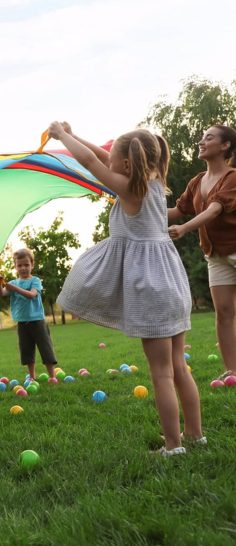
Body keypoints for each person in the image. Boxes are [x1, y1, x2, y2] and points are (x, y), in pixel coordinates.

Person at [49, 122, 203, 457]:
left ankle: (173, 445)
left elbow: (91, 162)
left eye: (115, 161)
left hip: (151, 289)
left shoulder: (131, 191)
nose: (108, 163)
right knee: (178, 367)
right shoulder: (154, 183)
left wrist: (62, 137)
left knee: (161, 373)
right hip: (173, 284)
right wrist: (73, 135)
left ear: (127, 165)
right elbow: (103, 156)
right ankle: (195, 434)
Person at [167, 125, 236, 381]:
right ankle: (233, 371)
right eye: (202, 137)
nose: (201, 141)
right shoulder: (197, 181)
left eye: (209, 137)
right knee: (224, 313)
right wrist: (139, 209)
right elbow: (176, 211)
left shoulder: (232, 177)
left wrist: (185, 228)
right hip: (215, 254)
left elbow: (215, 209)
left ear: (225, 146)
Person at [0, 248, 58, 381]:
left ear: (32, 265)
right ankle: (32, 377)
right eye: (20, 265)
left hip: (37, 321)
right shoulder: (12, 283)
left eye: (26, 265)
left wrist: (15, 289)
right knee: (27, 351)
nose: (23, 268)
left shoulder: (35, 281)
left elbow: (32, 295)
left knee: (45, 348)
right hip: (22, 323)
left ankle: (52, 376)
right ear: (15, 267)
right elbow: (1, 293)